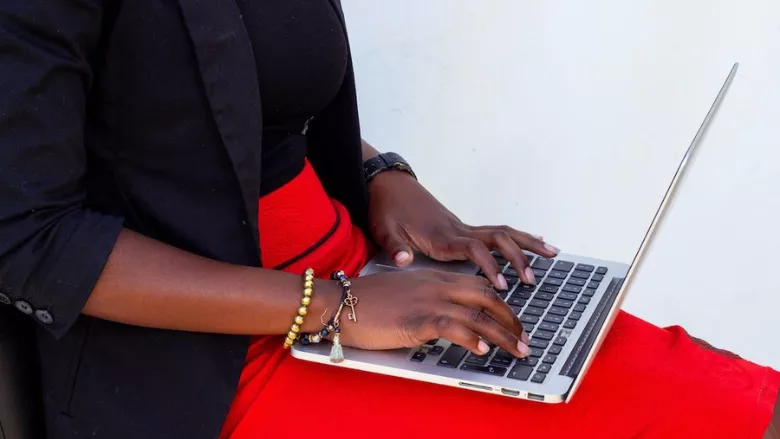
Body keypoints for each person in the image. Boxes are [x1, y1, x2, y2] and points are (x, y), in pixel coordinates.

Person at [0, 1, 777, 438]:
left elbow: (244, 110)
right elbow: (29, 239)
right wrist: (329, 306)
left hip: (362, 279)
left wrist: (383, 178)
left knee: (725, 396)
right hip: (209, 367)